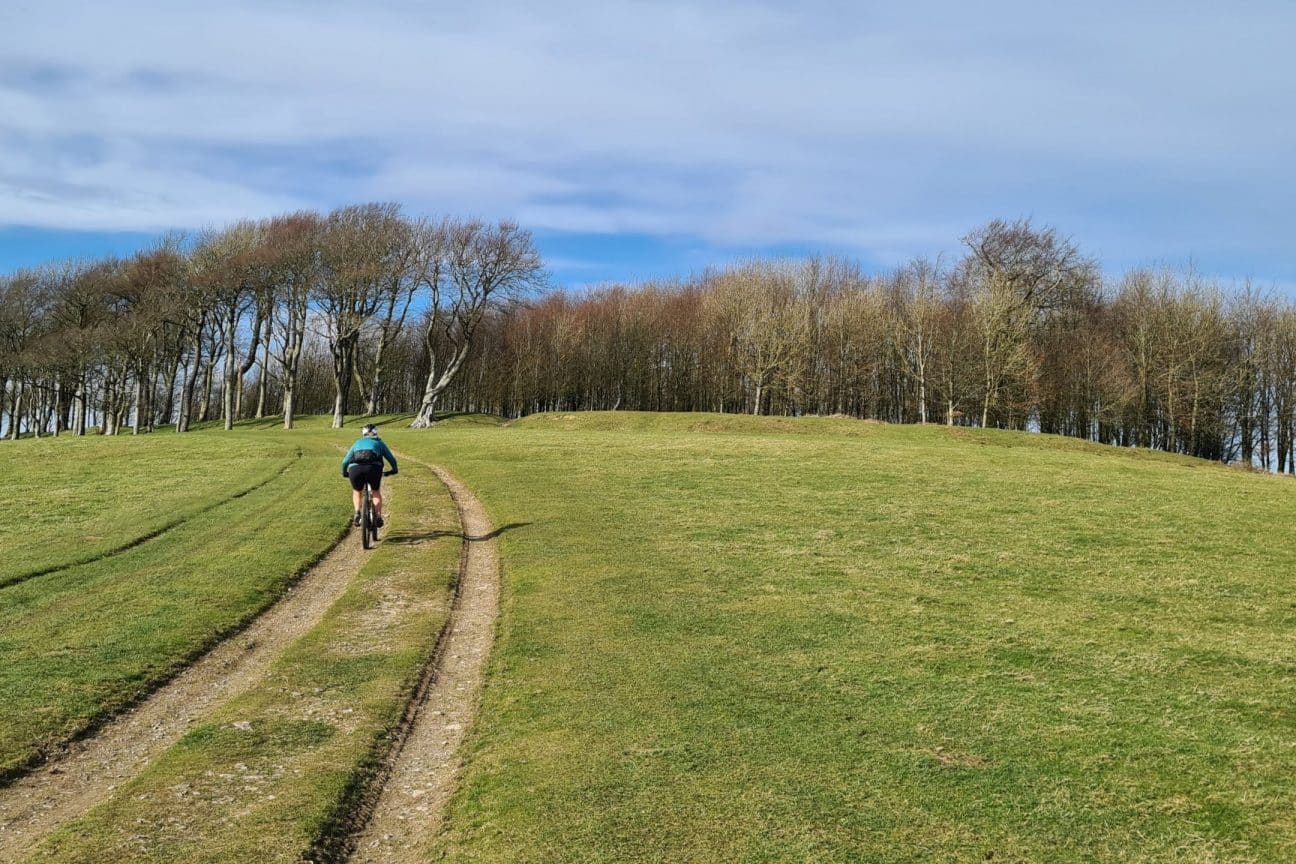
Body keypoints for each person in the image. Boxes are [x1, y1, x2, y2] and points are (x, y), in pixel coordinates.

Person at [342, 423, 398, 528]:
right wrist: (394, 470)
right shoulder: (379, 443)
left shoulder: (357, 443)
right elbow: (391, 459)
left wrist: (345, 472)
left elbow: (345, 461)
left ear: (363, 434)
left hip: (355, 469)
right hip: (374, 469)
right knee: (375, 491)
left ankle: (357, 512)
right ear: (376, 433)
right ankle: (378, 516)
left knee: (357, 491)